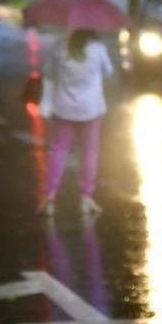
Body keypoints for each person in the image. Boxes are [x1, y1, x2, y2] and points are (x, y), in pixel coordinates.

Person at [39, 28, 113, 217]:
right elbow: (109, 72)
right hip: (91, 109)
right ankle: (86, 198)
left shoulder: (60, 48)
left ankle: (50, 196)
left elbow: (48, 73)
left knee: (58, 151)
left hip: (63, 109)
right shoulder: (98, 49)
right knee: (89, 153)